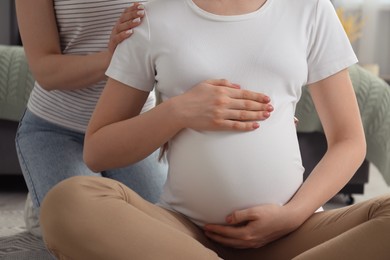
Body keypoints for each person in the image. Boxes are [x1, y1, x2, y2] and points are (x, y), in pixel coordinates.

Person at [40, 0, 390, 259]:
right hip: (185, 236)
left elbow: (348, 140)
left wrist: (290, 216)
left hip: (294, 234)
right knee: (67, 202)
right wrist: (179, 111)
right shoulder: (152, 15)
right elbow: (98, 149)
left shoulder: (308, 8)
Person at [14, 0, 169, 237]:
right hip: (57, 129)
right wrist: (112, 58)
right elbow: (45, 70)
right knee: (97, 238)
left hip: (130, 127)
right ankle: (44, 200)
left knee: (167, 233)